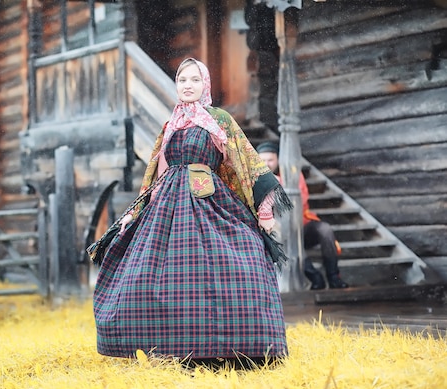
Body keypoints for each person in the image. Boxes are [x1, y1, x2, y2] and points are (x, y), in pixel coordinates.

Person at [92, 58, 293, 369]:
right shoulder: (169, 125)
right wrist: (136, 212)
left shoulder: (219, 120)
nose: (187, 85)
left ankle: (230, 348)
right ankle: (171, 348)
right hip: (168, 207)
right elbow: (156, 174)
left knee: (237, 262)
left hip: (211, 200)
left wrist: (263, 213)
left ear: (205, 85)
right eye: (182, 80)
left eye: (194, 80)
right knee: (153, 273)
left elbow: (244, 160)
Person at [256, 141, 349, 290]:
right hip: (276, 230)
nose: (267, 164)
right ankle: (314, 276)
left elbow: (299, 201)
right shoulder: (255, 177)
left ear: (278, 159)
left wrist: (278, 185)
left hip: (301, 225)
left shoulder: (292, 174)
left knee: (325, 230)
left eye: (270, 160)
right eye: (263, 160)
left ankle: (334, 277)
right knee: (281, 236)